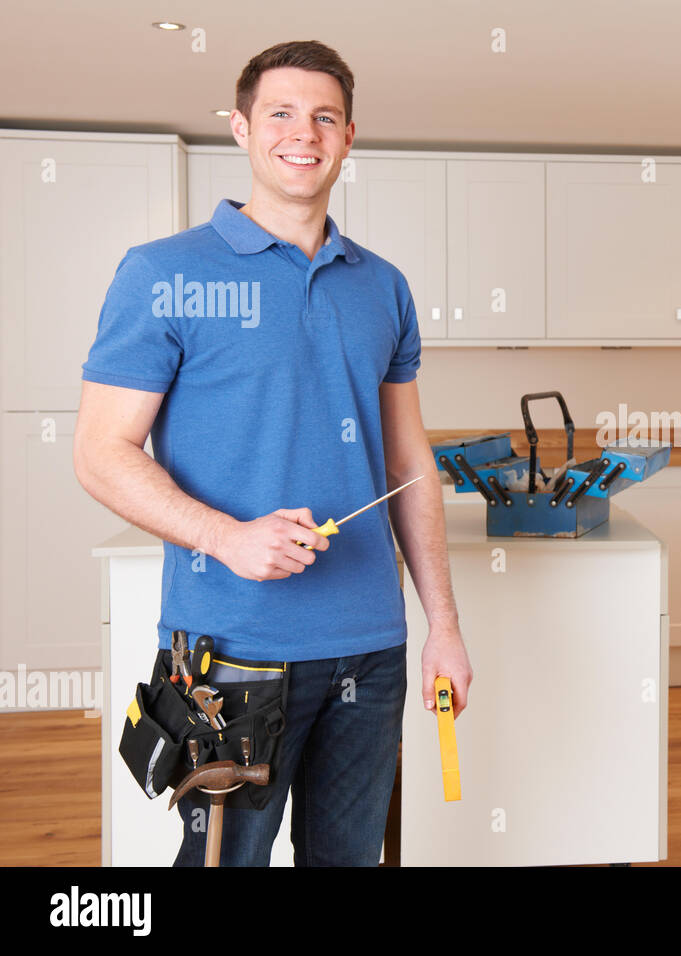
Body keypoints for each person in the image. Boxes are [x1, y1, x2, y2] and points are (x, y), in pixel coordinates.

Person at [73, 39, 471, 866]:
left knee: (350, 859)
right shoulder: (162, 273)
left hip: (371, 648)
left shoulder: (382, 285)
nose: (304, 133)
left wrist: (445, 627)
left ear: (349, 136)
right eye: (282, 113)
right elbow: (100, 453)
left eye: (325, 117)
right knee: (225, 862)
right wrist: (226, 536)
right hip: (230, 655)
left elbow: (409, 466)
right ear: (242, 129)